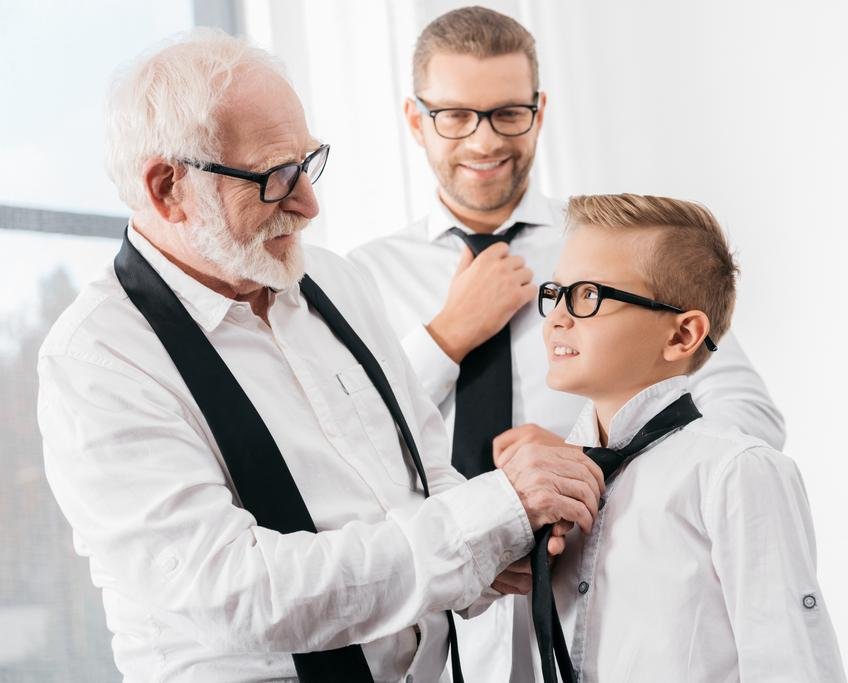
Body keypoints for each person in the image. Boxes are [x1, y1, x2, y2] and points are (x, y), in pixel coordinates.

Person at [36, 29, 605, 682]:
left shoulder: (334, 281)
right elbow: (245, 594)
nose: (309, 204)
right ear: (167, 187)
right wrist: (489, 516)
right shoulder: (99, 363)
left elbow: (422, 476)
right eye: (276, 178)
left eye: (308, 164)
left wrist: (494, 550)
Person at [347, 7, 787, 681]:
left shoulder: (606, 247)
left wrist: (593, 466)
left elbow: (743, 416)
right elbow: (346, 450)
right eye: (456, 115)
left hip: (596, 607)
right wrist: (445, 337)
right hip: (436, 632)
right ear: (417, 120)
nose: (484, 139)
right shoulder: (364, 278)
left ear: (540, 110)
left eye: (507, 113)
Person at [501, 193, 845, 681]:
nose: (557, 316)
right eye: (555, 293)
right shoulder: (546, 492)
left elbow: (791, 662)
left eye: (588, 296)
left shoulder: (735, 472)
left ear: (682, 336)